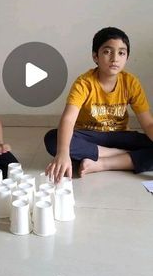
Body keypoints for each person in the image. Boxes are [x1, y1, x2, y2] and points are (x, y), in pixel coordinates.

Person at [45, 27, 153, 183]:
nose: (115, 58)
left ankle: (101, 163)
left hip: (119, 135)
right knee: (53, 139)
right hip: (89, 135)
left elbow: (148, 123)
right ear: (95, 56)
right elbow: (68, 119)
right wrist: (62, 153)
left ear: (126, 58)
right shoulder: (84, 83)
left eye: (121, 53)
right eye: (107, 52)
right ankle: (121, 155)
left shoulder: (131, 83)